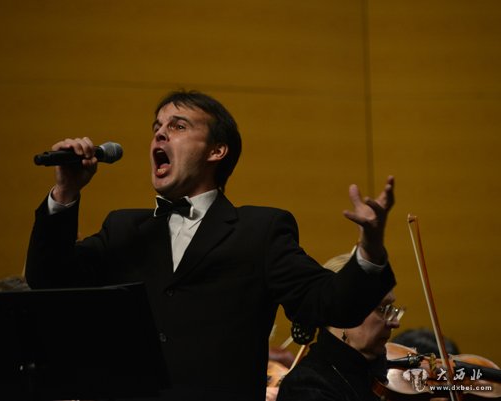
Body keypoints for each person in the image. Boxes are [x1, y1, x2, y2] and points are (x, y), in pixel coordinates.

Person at [25, 90, 396, 401]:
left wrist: (370, 248)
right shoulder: (123, 228)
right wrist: (65, 192)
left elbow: (331, 304)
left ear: (217, 151)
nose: (160, 135)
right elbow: (50, 282)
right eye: (156, 127)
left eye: (178, 126)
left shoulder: (260, 231)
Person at [276, 252, 403, 401]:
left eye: (392, 309)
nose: (395, 322)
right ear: (343, 314)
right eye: (382, 309)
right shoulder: (305, 386)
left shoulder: (377, 372)